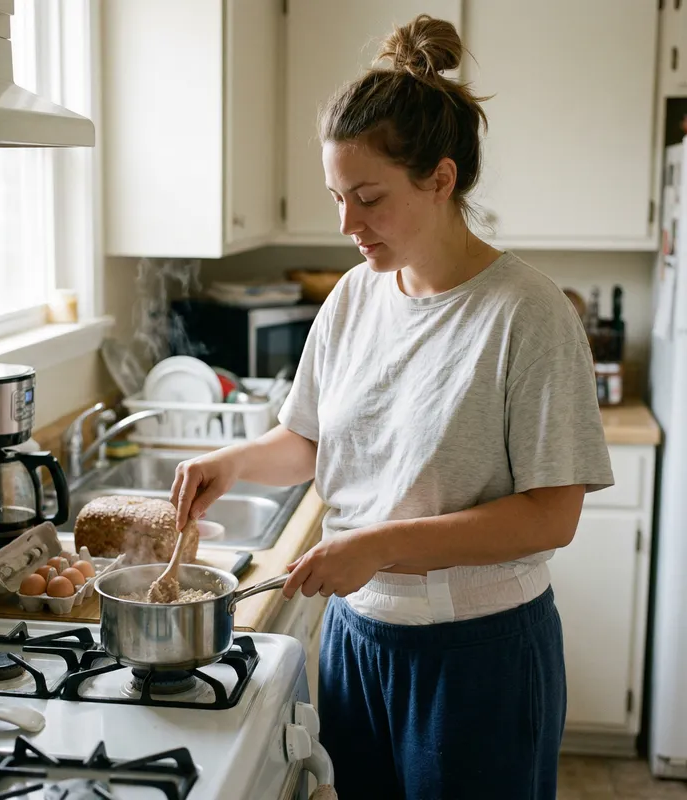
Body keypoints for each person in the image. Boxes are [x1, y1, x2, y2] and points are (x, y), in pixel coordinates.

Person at [170, 13, 613, 800]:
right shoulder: (353, 297)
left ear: (440, 180)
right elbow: (307, 440)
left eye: (368, 198)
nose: (348, 225)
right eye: (337, 197)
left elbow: (551, 517)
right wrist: (230, 464)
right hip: (356, 640)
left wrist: (380, 545)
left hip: (478, 657)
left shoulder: (527, 313)